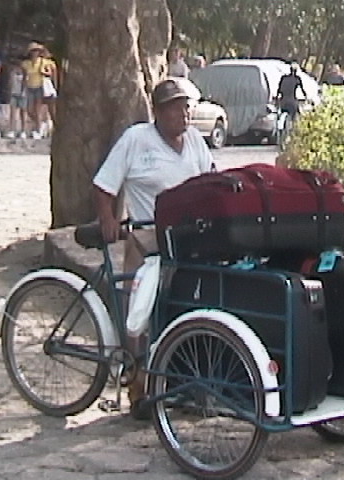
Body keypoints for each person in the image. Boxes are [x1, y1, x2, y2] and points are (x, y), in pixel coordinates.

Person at [93, 78, 214, 419]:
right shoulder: (136, 140)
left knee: (189, 304)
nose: (184, 114)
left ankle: (184, 378)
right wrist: (108, 219)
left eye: (186, 107)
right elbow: (104, 186)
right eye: (176, 108)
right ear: (158, 112)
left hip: (186, 238)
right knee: (139, 313)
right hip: (147, 236)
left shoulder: (195, 141)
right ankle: (137, 384)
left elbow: (210, 180)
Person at [21, 42, 47, 139]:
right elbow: (24, 77)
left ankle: (38, 129)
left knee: (37, 110)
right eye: (33, 51)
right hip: (29, 87)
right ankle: (39, 124)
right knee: (29, 110)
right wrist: (22, 89)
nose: (35, 53)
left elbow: (48, 73)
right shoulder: (25, 64)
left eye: (36, 51)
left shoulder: (42, 62)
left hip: (39, 87)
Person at [5, 63, 28, 139]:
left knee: (22, 113)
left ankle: (23, 131)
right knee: (12, 113)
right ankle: (12, 130)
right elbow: (9, 83)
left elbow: (26, 83)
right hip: (13, 94)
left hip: (22, 94)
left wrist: (23, 92)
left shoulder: (25, 72)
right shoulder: (12, 72)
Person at [40, 46, 58, 137]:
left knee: (51, 109)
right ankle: (43, 127)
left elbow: (53, 76)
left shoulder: (51, 64)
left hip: (47, 85)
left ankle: (53, 126)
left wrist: (55, 87)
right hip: (39, 85)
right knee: (42, 108)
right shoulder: (39, 62)